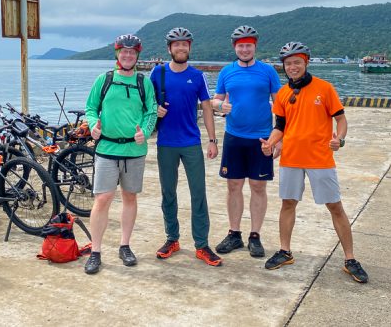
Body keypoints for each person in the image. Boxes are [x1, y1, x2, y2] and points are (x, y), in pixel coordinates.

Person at [260, 41, 369, 283]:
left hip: (320, 159)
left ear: (306, 62)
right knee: (288, 203)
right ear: (284, 67)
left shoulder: (324, 88)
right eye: (288, 64)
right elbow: (280, 127)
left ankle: (350, 259)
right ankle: (285, 251)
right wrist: (270, 143)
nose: (292, 67)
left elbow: (341, 120)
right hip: (290, 158)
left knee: (335, 206)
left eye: (297, 62)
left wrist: (339, 140)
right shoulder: (284, 94)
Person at [83, 34, 157, 275]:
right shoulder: (103, 80)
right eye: (124, 52)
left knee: (129, 197)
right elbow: (91, 108)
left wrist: (144, 133)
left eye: (132, 52)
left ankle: (125, 245)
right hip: (106, 148)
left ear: (137, 56)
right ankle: (95, 251)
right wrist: (93, 125)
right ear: (117, 54)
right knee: (102, 199)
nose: (128, 56)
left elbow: (151, 111)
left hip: (134, 150)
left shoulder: (142, 82)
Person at [150, 27, 222, 267]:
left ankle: (201, 245)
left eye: (185, 44)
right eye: (176, 44)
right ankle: (172, 239)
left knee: (198, 194)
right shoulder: (157, 74)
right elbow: (145, 104)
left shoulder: (198, 76)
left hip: (191, 142)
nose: (181, 48)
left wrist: (212, 140)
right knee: (168, 193)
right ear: (169, 48)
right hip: (166, 143)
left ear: (189, 47)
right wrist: (154, 111)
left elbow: (208, 108)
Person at [211, 25, 281, 258]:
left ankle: (255, 235)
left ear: (254, 46)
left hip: (262, 138)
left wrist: (279, 139)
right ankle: (234, 234)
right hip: (234, 137)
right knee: (233, 186)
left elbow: (280, 107)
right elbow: (215, 101)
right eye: (240, 45)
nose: (244, 49)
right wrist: (221, 106)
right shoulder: (226, 72)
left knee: (258, 187)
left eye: (248, 45)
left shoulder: (268, 71)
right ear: (235, 47)